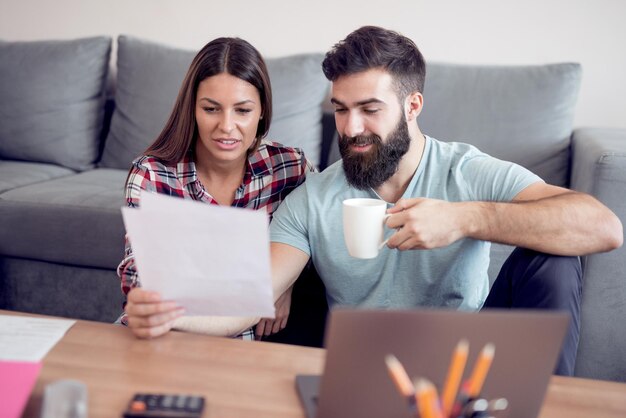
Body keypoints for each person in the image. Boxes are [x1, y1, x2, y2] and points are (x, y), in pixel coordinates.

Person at [134, 27, 623, 376]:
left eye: (370, 109)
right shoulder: (313, 196)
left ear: (413, 105)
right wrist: (169, 312)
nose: (350, 128)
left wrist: (465, 219)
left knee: (553, 260)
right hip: (361, 371)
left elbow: (602, 227)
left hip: (463, 365)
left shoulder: (465, 171)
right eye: (341, 110)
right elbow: (249, 294)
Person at [117, 37, 316, 341]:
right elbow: (138, 272)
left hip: (245, 347)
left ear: (262, 110)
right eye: (211, 109)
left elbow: (319, 238)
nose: (226, 126)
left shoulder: (289, 168)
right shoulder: (152, 175)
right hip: (168, 332)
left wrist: (286, 284)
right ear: (192, 109)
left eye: (242, 110)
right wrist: (144, 305)